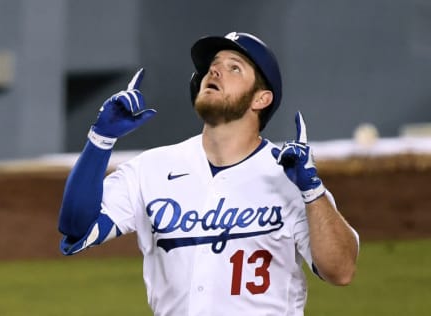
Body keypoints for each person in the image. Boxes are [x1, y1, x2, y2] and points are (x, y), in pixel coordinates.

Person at [58, 31, 359, 316]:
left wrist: (312, 192)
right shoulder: (151, 169)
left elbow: (341, 270)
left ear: (261, 99)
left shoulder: (290, 175)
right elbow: (76, 226)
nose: (214, 72)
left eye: (234, 68)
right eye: (212, 67)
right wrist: (100, 140)